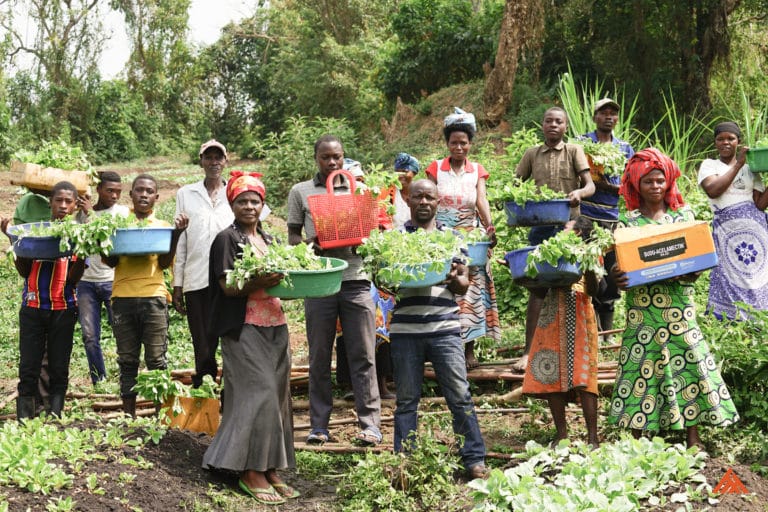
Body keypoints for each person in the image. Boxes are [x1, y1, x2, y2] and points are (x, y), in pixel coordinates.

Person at [608, 148, 739, 449]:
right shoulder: (626, 224)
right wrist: (617, 276)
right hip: (643, 310)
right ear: (636, 186)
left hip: (678, 306)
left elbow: (697, 259)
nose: (655, 187)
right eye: (648, 182)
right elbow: (621, 267)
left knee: (688, 363)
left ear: (669, 182)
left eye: (660, 181)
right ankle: (637, 439)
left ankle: (693, 438)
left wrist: (693, 270)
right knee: (642, 366)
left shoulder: (684, 217)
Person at [203, 172, 297, 506]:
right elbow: (227, 286)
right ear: (232, 203)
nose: (249, 206)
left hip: (276, 326)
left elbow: (284, 285)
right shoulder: (226, 240)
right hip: (243, 328)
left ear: (262, 204)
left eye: (254, 200)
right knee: (257, 395)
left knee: (278, 399)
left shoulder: (269, 241)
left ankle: (269, 466)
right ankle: (248, 470)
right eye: (242, 200)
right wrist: (260, 279)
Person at [389, 178, 488, 479]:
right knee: (407, 399)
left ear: (438, 201)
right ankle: (406, 463)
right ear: (408, 200)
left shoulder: (451, 238)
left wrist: (452, 278)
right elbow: (387, 282)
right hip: (406, 329)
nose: (423, 202)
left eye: (429, 198)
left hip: (444, 327)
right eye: (417, 197)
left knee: (459, 393)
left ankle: (473, 458)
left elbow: (462, 284)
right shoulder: (396, 239)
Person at [287, 134, 382, 445]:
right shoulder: (301, 192)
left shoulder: (360, 190)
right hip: (319, 282)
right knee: (318, 356)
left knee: (363, 354)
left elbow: (376, 234)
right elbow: (292, 238)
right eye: (326, 157)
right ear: (316, 158)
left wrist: (365, 239)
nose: (332, 163)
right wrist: (308, 249)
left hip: (356, 280)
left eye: (337, 157)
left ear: (344, 157)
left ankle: (370, 425)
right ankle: (318, 426)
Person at [514, 106, 595, 372]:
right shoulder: (531, 154)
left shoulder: (574, 151)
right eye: (548, 120)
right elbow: (515, 183)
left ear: (565, 127)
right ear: (542, 125)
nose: (553, 125)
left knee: (572, 284)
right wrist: (518, 196)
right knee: (537, 288)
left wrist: (579, 194)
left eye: (558, 121)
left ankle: (576, 352)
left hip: (569, 227)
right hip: (539, 226)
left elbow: (590, 185)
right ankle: (529, 353)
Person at [104, 174, 188, 416]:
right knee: (128, 360)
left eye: (149, 191)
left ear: (156, 197)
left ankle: (160, 416)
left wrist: (176, 235)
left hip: (154, 297)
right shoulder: (118, 226)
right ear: (130, 195)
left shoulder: (162, 228)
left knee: (156, 360)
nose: (143, 195)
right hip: (122, 298)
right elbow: (110, 261)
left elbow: (163, 263)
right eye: (139, 190)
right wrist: (102, 241)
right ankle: (129, 417)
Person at [1, 181, 86, 419]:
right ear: (50, 203)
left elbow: (74, 279)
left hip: (64, 307)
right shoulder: (34, 232)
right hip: (33, 306)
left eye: (68, 201)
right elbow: (24, 271)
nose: (63, 206)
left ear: (75, 206)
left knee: (59, 366)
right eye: (58, 200)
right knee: (29, 366)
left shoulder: (78, 235)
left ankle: (54, 416)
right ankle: (25, 418)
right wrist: (12, 240)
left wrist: (83, 254)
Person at [425, 107, 501, 370]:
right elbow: (429, 200)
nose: (459, 147)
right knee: (444, 289)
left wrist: (489, 229)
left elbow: (480, 200)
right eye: (454, 142)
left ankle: (468, 350)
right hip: (442, 236)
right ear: (447, 143)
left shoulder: (476, 170)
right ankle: (443, 350)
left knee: (471, 292)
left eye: (464, 143)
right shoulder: (436, 168)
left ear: (470, 144)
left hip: (470, 237)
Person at [519, 216, 600, 449]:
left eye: (566, 228)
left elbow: (594, 290)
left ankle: (592, 437)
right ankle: (562, 434)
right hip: (551, 313)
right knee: (551, 372)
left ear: (579, 234)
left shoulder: (590, 254)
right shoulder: (550, 253)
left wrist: (588, 268)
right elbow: (540, 291)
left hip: (581, 313)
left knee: (585, 376)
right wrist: (522, 276)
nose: (561, 231)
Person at [173, 139, 235, 388]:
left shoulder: (236, 191)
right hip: (196, 278)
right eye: (208, 157)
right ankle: (206, 392)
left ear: (225, 161)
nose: (213, 162)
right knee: (203, 343)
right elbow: (182, 241)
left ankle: (232, 394)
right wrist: (177, 284)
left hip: (231, 280)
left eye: (218, 157)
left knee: (232, 339)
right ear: (201, 161)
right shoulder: (186, 194)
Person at [698, 122, 768, 319]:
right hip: (727, 234)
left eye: (731, 139)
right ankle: (731, 318)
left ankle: (758, 318)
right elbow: (713, 190)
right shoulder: (709, 166)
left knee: (756, 277)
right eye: (720, 139)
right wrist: (738, 164)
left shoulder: (751, 169)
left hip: (756, 233)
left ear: (739, 142)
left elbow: (760, 204)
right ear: (715, 143)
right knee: (731, 276)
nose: (725, 143)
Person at [579, 98, 635, 335]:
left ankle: (606, 334)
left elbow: (629, 182)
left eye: (613, 113)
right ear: (595, 118)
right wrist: (595, 184)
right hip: (586, 216)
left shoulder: (625, 148)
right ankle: (590, 330)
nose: (609, 117)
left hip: (612, 217)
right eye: (604, 113)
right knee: (590, 271)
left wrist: (604, 186)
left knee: (613, 271)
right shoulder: (582, 143)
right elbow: (577, 176)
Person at [75, 171, 130, 386]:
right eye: (110, 191)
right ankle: (100, 380)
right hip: (85, 282)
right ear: (98, 190)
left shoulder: (122, 213)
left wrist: (90, 215)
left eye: (118, 191)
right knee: (89, 336)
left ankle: (126, 378)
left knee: (122, 332)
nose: (115, 196)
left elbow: (104, 237)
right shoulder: (80, 214)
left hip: (112, 280)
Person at [392, 152, 420, 229]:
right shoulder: (388, 193)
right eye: (397, 171)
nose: (400, 175)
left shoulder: (421, 193)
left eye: (405, 171)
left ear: (414, 173)